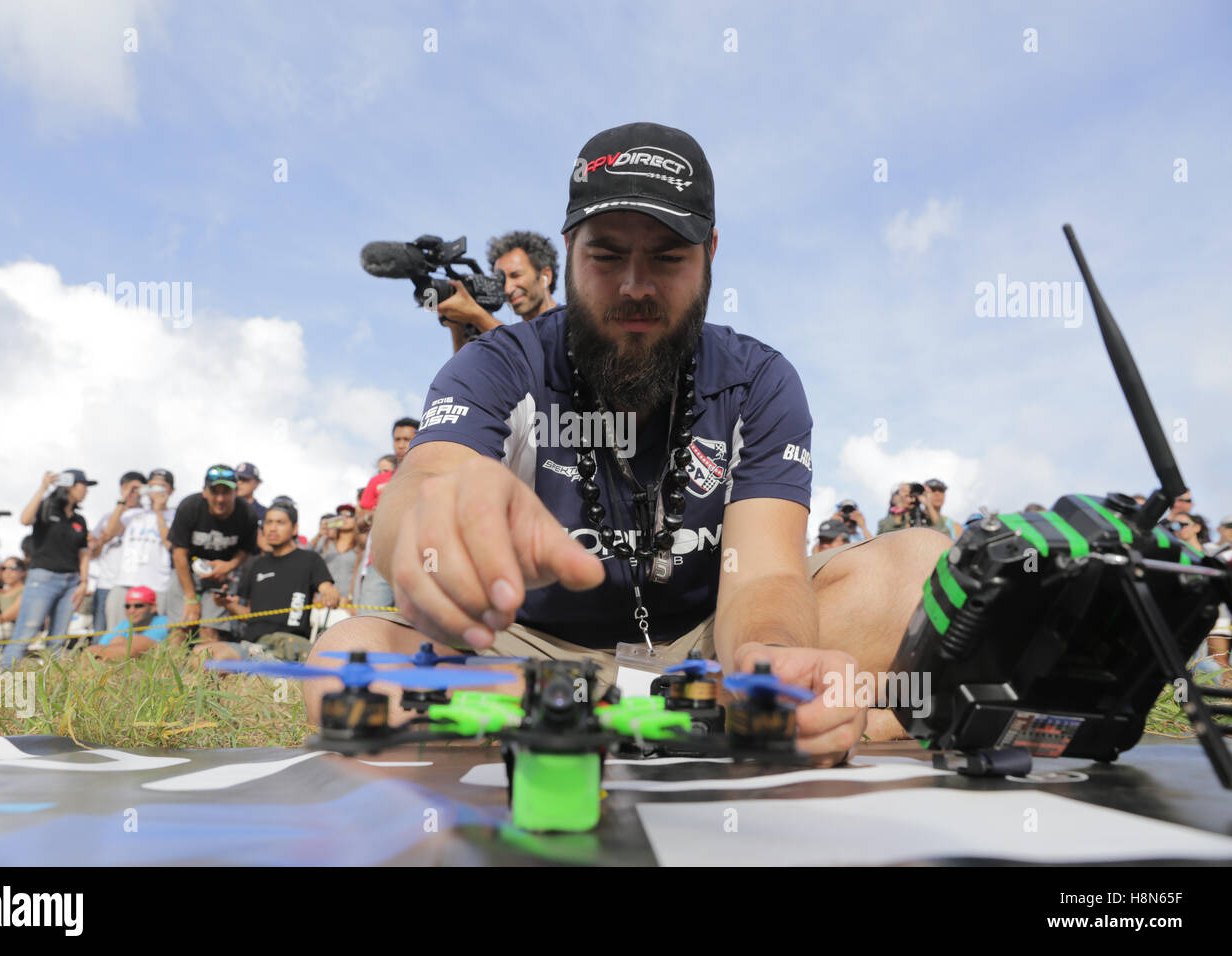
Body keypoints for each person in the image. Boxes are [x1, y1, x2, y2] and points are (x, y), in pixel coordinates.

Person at [306, 121, 951, 759]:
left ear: (711, 254)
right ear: (570, 250)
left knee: (919, 568)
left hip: (712, 652)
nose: (635, 286)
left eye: (668, 257)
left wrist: (771, 660)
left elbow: (764, 577)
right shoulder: (499, 361)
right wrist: (431, 522)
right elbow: (417, 492)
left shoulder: (760, 379)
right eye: (607, 256)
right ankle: (693, 724)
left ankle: (729, 712)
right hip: (528, 652)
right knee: (347, 659)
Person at [198, 502, 338, 662]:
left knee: (215, 656)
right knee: (200, 653)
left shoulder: (310, 560)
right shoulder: (256, 565)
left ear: (294, 528)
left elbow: (328, 590)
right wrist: (226, 604)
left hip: (290, 645)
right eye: (269, 522)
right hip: (252, 645)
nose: (272, 528)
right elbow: (250, 615)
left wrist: (330, 593)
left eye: (280, 522)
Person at [4, 470, 96, 665]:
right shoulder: (47, 506)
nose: (86, 491)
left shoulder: (79, 520)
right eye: (83, 485)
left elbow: (84, 552)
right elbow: (25, 519)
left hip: (71, 582)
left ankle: (52, 682)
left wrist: (83, 582)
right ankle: (3, 680)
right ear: (71, 485)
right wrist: (43, 487)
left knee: (58, 637)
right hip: (43, 578)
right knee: (27, 631)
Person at [167, 465, 258, 644]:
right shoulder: (189, 507)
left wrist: (229, 566)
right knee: (181, 626)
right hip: (185, 572)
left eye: (226, 492)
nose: (220, 498)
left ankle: (205, 670)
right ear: (204, 492)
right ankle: (167, 671)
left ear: (236, 492)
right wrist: (191, 598)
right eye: (214, 491)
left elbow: (245, 550)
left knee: (211, 630)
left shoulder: (247, 514)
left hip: (221, 576)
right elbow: (178, 554)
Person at [436, 230, 561, 353]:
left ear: (546, 275)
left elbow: (536, 357)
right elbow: (464, 371)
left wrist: (477, 316)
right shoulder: (510, 340)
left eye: (516, 275)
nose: (507, 289)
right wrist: (457, 326)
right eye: (502, 281)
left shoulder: (568, 322)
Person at [353, 419, 418, 612]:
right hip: (381, 564)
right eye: (397, 439)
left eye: (407, 439)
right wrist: (372, 516)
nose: (401, 444)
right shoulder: (378, 481)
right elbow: (360, 522)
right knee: (368, 625)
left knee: (415, 632)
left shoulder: (431, 477)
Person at [105, 469, 177, 630]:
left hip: (157, 586)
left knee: (152, 639)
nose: (156, 492)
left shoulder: (175, 515)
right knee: (115, 634)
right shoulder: (133, 514)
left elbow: (169, 544)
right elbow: (109, 533)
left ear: (171, 490)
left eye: (161, 487)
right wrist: (125, 497)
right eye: (152, 487)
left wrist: (158, 511)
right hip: (124, 582)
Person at [87, 471, 146, 636]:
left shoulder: (147, 515)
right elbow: (93, 553)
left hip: (133, 583)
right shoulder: (107, 516)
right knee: (101, 634)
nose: (132, 493)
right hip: (106, 584)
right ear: (121, 489)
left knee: (130, 636)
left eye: (137, 489)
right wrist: (101, 541)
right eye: (129, 488)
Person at [88, 586, 170, 661]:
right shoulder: (123, 625)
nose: (131, 610)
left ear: (153, 608)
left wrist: (94, 652)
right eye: (127, 606)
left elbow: (129, 652)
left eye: (138, 606)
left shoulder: (164, 623)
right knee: (118, 639)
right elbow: (94, 651)